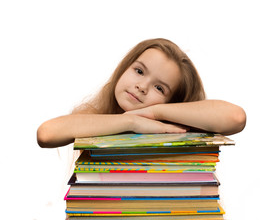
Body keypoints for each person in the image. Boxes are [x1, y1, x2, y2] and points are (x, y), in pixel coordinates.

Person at [37, 38, 246, 148]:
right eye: (138, 71)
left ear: (173, 102)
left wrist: (155, 113)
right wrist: (132, 122)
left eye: (159, 88)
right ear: (124, 68)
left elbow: (235, 118)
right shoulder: (95, 116)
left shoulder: (173, 127)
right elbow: (46, 134)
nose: (142, 87)